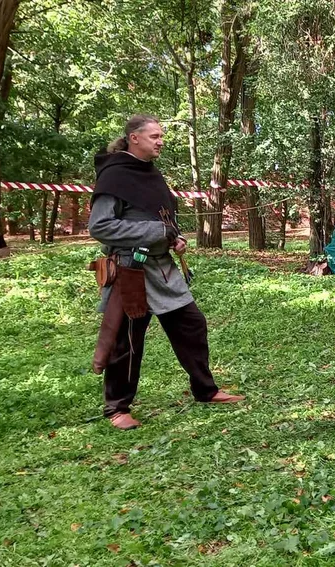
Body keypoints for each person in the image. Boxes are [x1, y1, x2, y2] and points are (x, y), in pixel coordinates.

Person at [88, 114, 244, 430]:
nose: (160, 141)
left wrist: (175, 237)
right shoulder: (113, 177)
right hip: (130, 271)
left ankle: (205, 390)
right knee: (127, 340)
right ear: (134, 138)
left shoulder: (151, 174)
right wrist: (155, 231)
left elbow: (162, 222)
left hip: (162, 270)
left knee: (192, 325)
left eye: (161, 136)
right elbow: (100, 226)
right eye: (154, 136)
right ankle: (117, 408)